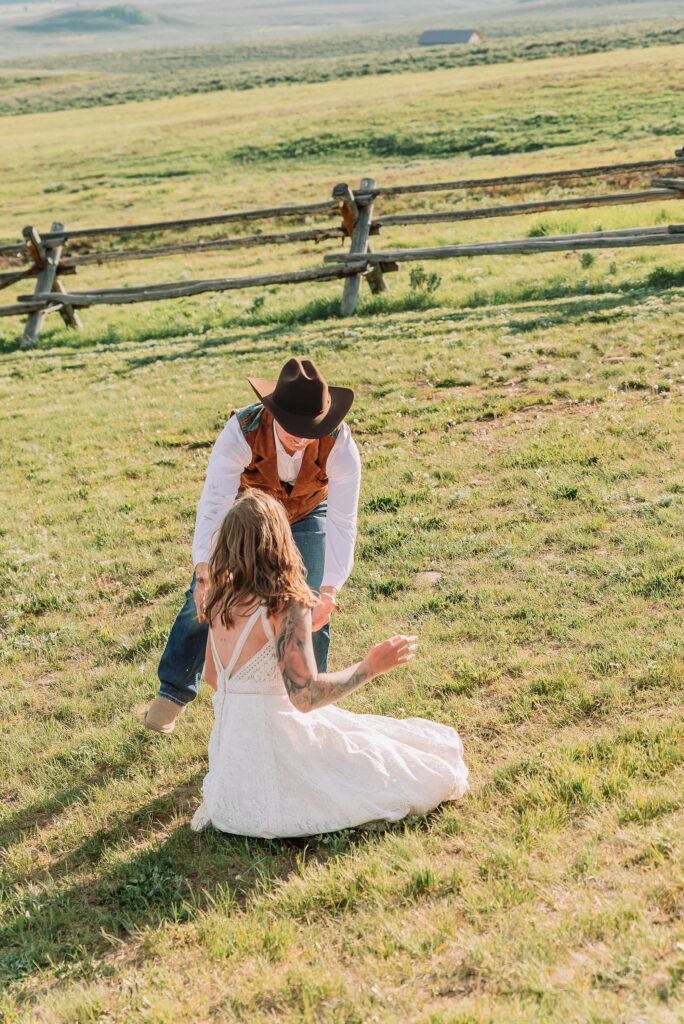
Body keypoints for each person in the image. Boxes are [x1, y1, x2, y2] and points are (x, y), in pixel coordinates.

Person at [190, 490, 468, 838]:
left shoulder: (218, 600)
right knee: (410, 770)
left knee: (365, 740)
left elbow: (214, 677)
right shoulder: (284, 604)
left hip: (233, 774)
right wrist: (371, 665)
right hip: (278, 749)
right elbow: (306, 697)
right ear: (279, 539)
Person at [145, 357, 361, 734]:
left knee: (309, 603)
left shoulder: (340, 444)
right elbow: (214, 504)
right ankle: (172, 692)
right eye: (293, 428)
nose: (301, 438)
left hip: (309, 511)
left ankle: (307, 700)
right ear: (274, 412)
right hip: (248, 510)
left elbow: (343, 520)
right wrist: (204, 571)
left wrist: (330, 589)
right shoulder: (241, 432)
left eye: (310, 429)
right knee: (208, 595)